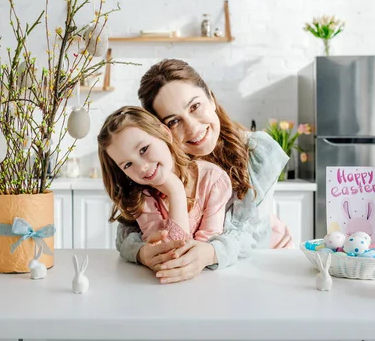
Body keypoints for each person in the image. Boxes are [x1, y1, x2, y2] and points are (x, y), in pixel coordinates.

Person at [116, 59, 293, 284]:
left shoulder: (257, 152)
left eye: (194, 106)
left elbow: (248, 234)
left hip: (268, 266)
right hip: (207, 280)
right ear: (160, 130)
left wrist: (209, 252)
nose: (192, 128)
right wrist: (142, 252)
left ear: (210, 97)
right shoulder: (157, 166)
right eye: (173, 121)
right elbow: (126, 236)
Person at [97, 106, 232, 250]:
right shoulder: (141, 198)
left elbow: (205, 251)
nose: (142, 167)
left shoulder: (213, 179)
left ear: (164, 133)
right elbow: (169, 252)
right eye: (128, 164)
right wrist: (176, 192)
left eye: (144, 149)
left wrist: (175, 189)